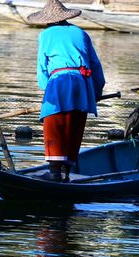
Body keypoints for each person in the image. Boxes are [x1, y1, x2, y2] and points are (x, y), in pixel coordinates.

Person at [27, 0, 105, 183]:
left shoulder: (46, 35)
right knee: (74, 124)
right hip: (83, 83)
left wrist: (45, 89)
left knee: (54, 123)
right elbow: (95, 65)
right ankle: (66, 174)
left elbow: (42, 66)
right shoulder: (81, 33)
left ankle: (54, 173)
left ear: (48, 20)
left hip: (60, 82)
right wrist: (96, 91)